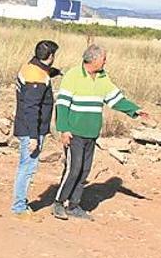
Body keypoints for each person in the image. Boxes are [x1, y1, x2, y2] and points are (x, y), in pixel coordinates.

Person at [52, 44, 149, 220]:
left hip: (91, 133)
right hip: (74, 132)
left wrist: (135, 110)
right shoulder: (73, 75)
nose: (106, 61)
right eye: (104, 58)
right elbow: (62, 104)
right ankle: (59, 202)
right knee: (73, 169)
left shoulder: (103, 77)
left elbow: (116, 99)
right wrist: (64, 130)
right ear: (94, 59)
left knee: (84, 170)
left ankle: (74, 205)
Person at [10, 40, 62, 219]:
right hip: (31, 129)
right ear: (51, 56)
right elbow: (31, 108)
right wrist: (34, 137)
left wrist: (54, 72)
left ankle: (20, 205)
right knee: (28, 167)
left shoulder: (31, 67)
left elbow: (41, 73)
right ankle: (19, 208)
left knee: (26, 165)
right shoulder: (36, 77)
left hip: (29, 127)